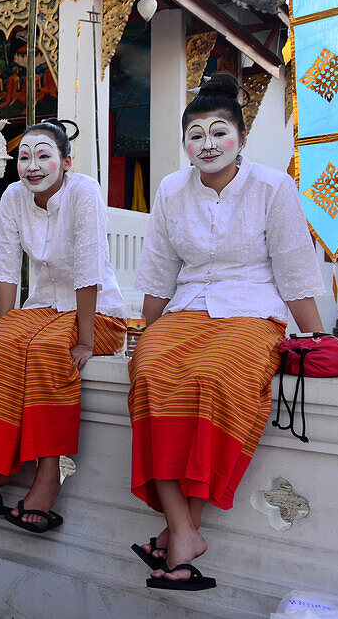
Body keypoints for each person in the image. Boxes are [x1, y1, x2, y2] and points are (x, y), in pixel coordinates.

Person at [129, 73, 325, 591]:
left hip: (252, 311)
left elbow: (294, 269)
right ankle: (184, 531)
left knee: (215, 378)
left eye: (219, 132)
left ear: (239, 138)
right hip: (187, 307)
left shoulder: (272, 187)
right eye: (196, 134)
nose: (207, 143)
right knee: (149, 370)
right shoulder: (171, 189)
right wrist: (145, 334)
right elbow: (157, 270)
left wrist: (318, 340)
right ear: (185, 143)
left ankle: (179, 533)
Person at [0, 119, 127, 533]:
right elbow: (3, 266)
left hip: (96, 312)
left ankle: (48, 477)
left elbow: (90, 267)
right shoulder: (15, 196)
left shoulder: (85, 191)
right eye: (25, 157)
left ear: (66, 161)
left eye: (44, 156)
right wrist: (3, 326)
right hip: (42, 308)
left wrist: (87, 340)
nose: (32, 166)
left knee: (46, 350)